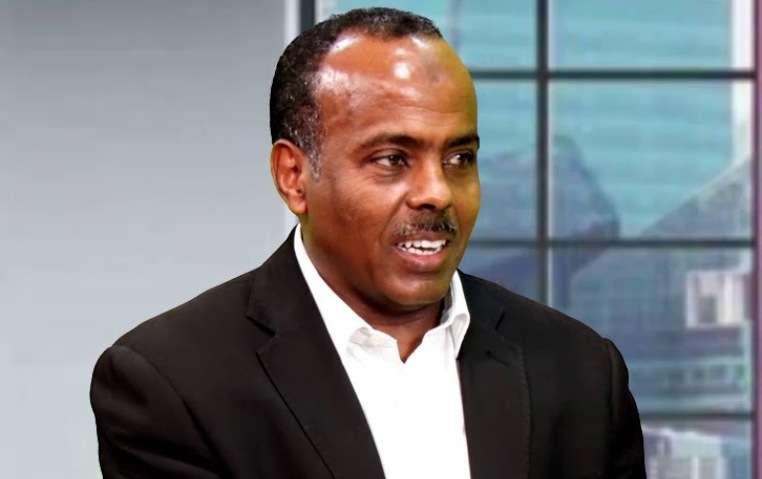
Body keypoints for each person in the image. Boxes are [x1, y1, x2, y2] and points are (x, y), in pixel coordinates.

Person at [90, 7, 645, 479]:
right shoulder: (173, 383)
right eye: (392, 159)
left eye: (460, 158)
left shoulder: (581, 372)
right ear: (294, 177)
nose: (437, 192)